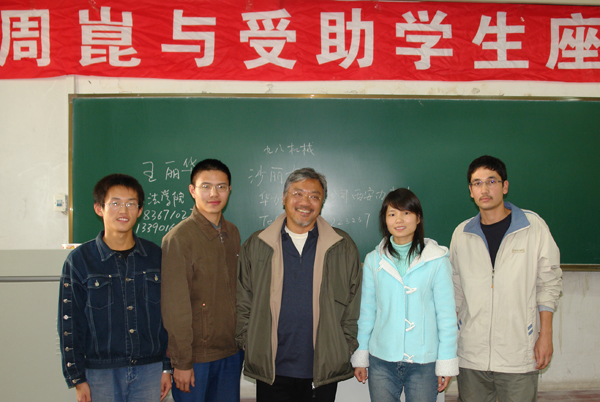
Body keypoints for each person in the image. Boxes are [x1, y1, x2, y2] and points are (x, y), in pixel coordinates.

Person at [236, 167, 362, 402]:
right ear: (284, 198)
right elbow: (243, 300)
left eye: (314, 196)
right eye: (298, 194)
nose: (305, 202)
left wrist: (344, 347)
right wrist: (248, 342)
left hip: (322, 369)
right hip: (271, 369)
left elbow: (354, 304)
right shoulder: (257, 244)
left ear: (322, 203)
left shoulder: (342, 246)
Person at [450, 155, 562, 402]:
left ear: (505, 186)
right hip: (471, 354)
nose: (484, 189)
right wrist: (449, 344)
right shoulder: (462, 234)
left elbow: (549, 283)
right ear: (470, 191)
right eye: (477, 183)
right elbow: (456, 292)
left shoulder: (532, 227)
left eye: (492, 181)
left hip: (518, 354)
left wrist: (545, 334)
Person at [58, 174, 171, 402]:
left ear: (140, 210)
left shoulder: (156, 257)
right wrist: (77, 377)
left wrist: (167, 367)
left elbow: (168, 316)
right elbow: (70, 323)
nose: (123, 210)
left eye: (131, 204)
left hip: (149, 370)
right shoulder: (80, 261)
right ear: (99, 208)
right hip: (100, 373)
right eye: (115, 203)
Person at [351, 188, 458, 402]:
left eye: (406, 213)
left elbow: (446, 316)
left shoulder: (437, 260)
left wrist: (445, 361)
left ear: (418, 218)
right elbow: (367, 312)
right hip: (381, 361)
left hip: (424, 363)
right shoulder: (373, 260)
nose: (399, 220)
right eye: (392, 214)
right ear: (385, 220)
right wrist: (361, 355)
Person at [161, 159, 243, 402]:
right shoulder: (179, 238)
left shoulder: (232, 233)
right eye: (206, 186)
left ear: (229, 190)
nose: (214, 194)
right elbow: (175, 307)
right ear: (192, 190)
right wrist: (182, 362)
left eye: (221, 187)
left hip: (231, 352)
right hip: (196, 358)